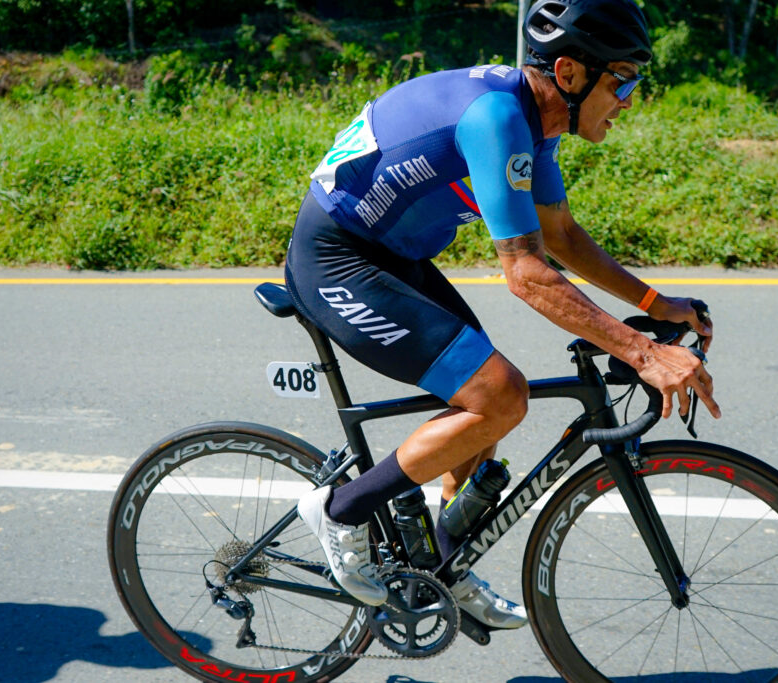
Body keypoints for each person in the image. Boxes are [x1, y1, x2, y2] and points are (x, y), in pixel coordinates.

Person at [287, 0, 720, 628]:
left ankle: (442, 564)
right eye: (623, 81)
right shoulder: (498, 120)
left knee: (486, 403)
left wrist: (656, 305)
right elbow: (525, 273)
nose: (629, 101)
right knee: (499, 395)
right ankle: (340, 510)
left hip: (393, 256)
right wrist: (645, 353)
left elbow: (560, 235)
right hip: (337, 260)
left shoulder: (535, 119)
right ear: (569, 74)